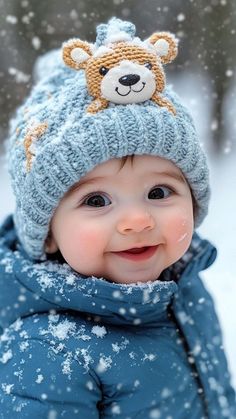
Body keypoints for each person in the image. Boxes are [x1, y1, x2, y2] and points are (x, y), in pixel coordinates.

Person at [0, 17, 235, 419]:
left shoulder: (183, 290)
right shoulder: (47, 350)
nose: (137, 221)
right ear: (49, 235)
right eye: (96, 200)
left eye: (159, 193)